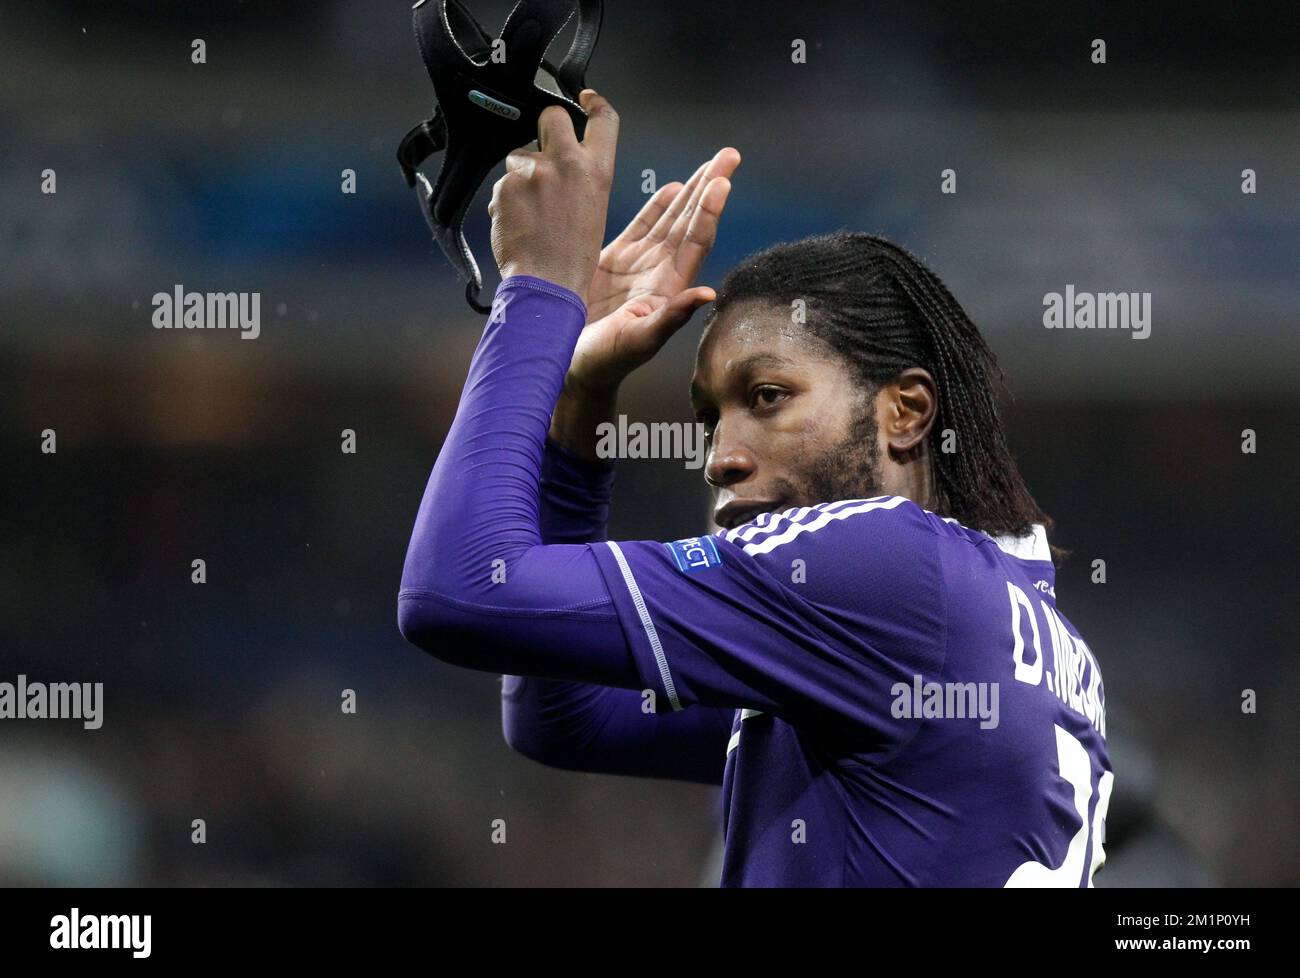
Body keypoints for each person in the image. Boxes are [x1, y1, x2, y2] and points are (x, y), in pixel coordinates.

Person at [398, 90, 1113, 886]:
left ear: (905, 412)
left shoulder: (884, 566)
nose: (719, 457)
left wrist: (539, 288)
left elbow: (459, 593)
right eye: (709, 416)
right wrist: (577, 399)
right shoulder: (1013, 641)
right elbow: (564, 718)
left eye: (767, 397)